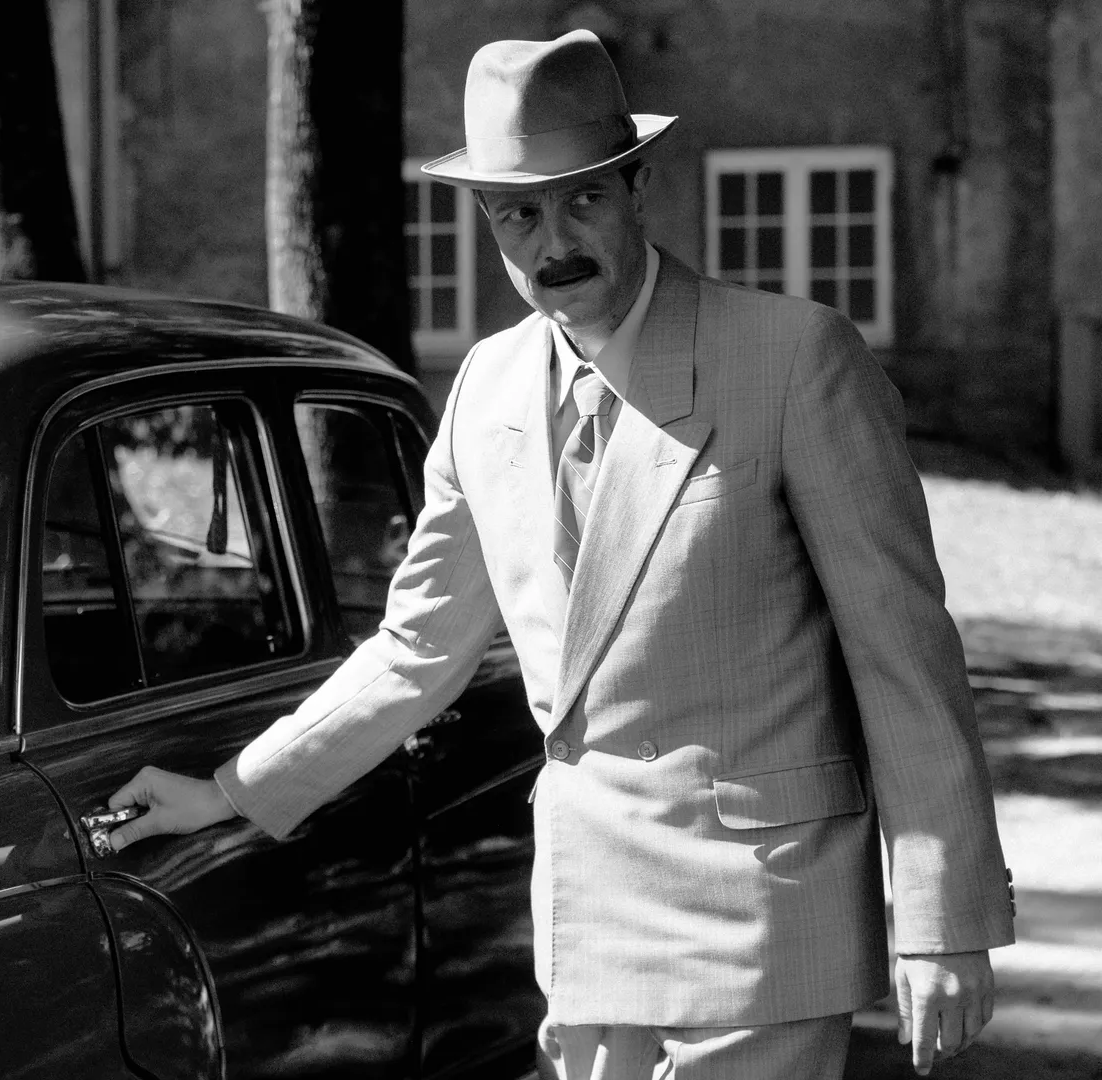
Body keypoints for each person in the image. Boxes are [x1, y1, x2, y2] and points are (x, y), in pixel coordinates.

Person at [103, 29, 1013, 1080]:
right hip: (588, 926)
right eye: (519, 214)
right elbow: (416, 648)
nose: (554, 241)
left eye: (582, 200)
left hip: (762, 918)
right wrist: (230, 790)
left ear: (638, 188)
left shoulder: (793, 358)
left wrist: (943, 922)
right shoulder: (484, 390)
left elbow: (901, 653)